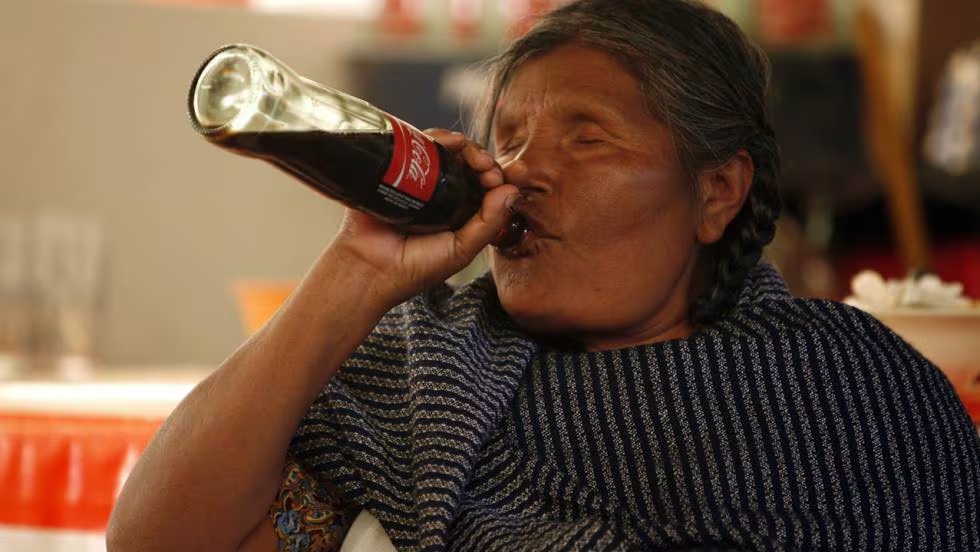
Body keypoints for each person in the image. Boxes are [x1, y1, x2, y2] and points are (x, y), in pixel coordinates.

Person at [107, 0, 980, 550]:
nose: (524, 172)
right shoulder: (423, 369)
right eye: (511, 138)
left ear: (717, 193)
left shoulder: (851, 392)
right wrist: (355, 270)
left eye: (587, 136)